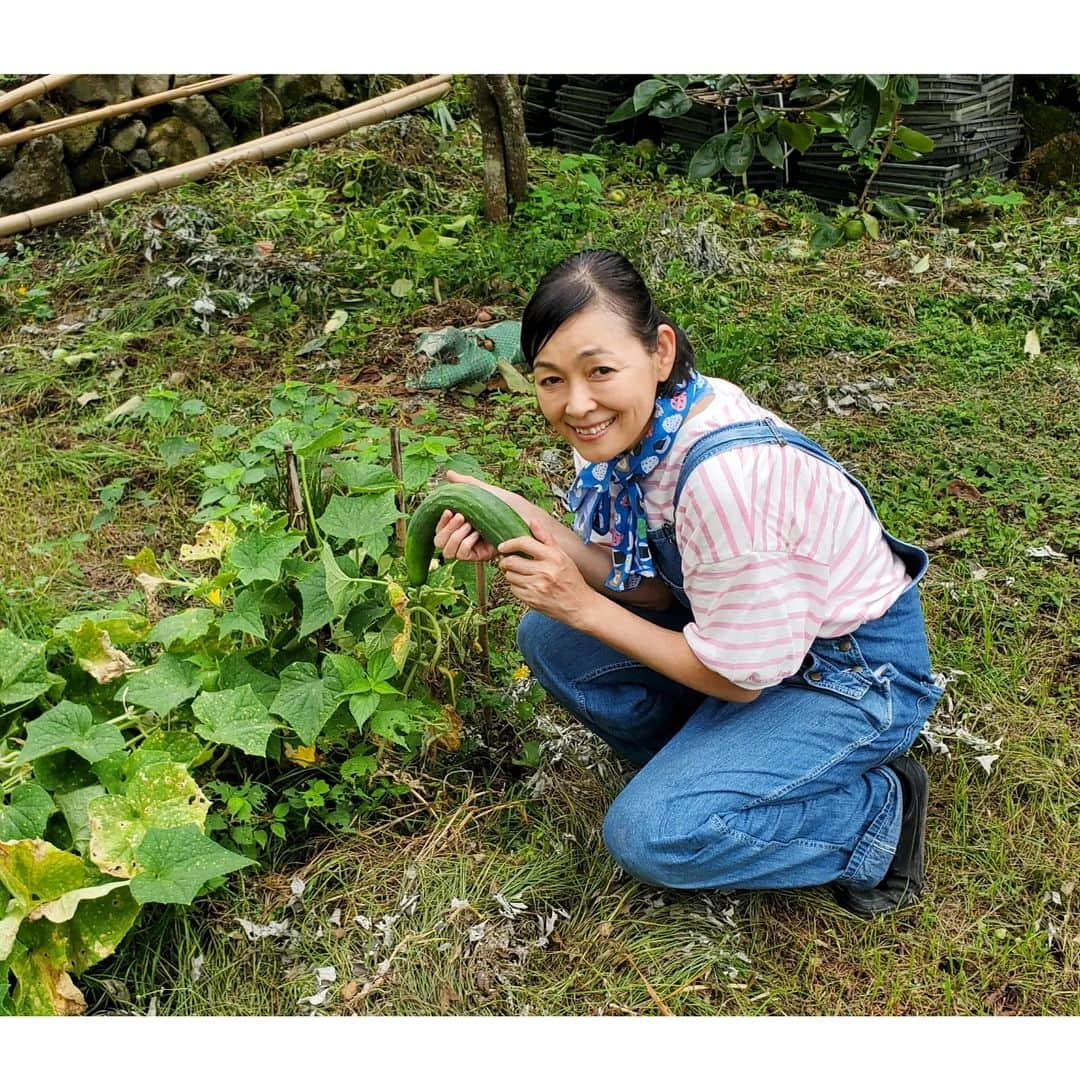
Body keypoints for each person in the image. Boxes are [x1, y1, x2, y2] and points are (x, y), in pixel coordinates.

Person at [432, 249, 943, 917]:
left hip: (851, 675)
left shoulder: (726, 479)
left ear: (660, 351)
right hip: (757, 644)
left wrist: (582, 605)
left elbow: (740, 679)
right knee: (551, 638)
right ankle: (717, 768)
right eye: (550, 380)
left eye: (599, 371)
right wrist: (525, 521)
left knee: (652, 836)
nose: (575, 404)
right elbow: (650, 591)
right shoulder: (640, 427)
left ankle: (876, 813)